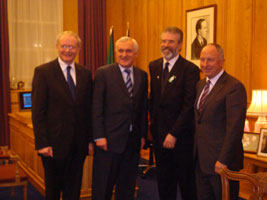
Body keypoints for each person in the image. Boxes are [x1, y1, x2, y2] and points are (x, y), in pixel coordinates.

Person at [32, 31, 93, 200]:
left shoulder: (85, 73)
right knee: (53, 190)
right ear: (57, 47)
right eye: (64, 46)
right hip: (53, 145)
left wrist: (89, 140)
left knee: (73, 189)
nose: (68, 50)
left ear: (78, 49)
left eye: (72, 46)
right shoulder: (43, 72)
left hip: (78, 144)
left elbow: (88, 110)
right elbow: (38, 112)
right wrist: (42, 143)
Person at [92, 36, 148, 200]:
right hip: (108, 142)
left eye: (128, 51)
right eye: (121, 51)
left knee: (127, 187)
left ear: (135, 53)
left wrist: (143, 135)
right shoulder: (103, 73)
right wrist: (99, 135)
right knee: (103, 188)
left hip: (132, 141)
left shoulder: (142, 75)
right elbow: (96, 107)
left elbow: (143, 108)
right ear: (116, 52)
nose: (124, 54)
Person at [149, 26, 200, 200]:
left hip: (181, 137)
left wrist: (174, 133)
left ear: (179, 45)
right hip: (159, 136)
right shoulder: (154, 66)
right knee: (163, 180)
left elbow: (189, 105)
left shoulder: (190, 69)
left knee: (186, 182)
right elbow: (154, 100)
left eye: (170, 41)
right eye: (163, 41)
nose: (166, 45)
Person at [194, 43, 247, 200]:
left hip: (222, 164)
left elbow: (235, 128)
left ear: (222, 61)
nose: (205, 64)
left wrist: (223, 159)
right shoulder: (200, 85)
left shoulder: (234, 87)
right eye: (202, 60)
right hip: (201, 161)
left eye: (210, 60)